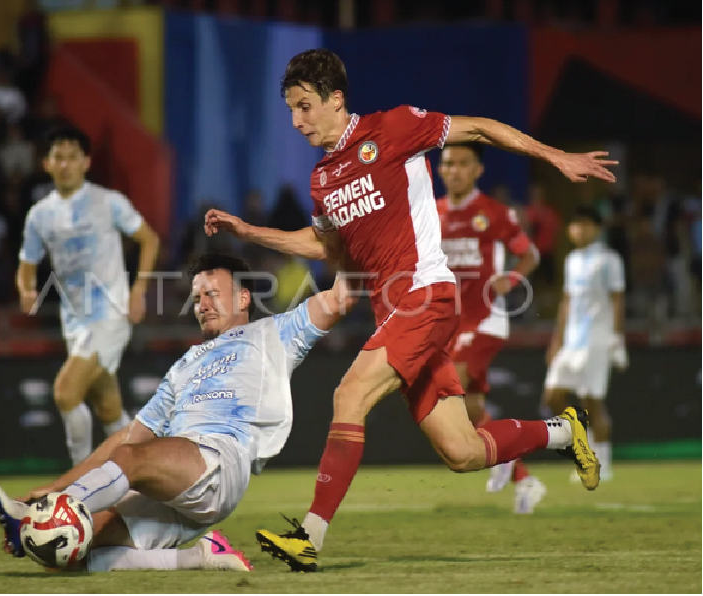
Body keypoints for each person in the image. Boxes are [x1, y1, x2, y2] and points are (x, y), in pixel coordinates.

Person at [204, 48, 616, 571]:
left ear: (336, 99)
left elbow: (483, 130)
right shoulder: (322, 179)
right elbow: (327, 249)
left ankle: (309, 536)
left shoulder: (394, 128)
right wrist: (250, 232)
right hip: (397, 315)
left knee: (349, 392)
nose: (297, 120)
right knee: (462, 451)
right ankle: (564, 432)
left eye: (305, 106)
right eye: (290, 109)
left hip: (427, 296)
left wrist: (556, 157)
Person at [0, 253, 359, 572]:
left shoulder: (276, 333)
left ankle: (35, 518)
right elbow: (129, 437)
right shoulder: (184, 365)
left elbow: (343, 294)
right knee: (73, 555)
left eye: (212, 293)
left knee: (122, 467)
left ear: (244, 297)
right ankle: (201, 557)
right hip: (173, 478)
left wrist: (351, 234)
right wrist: (58, 485)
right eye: (197, 297)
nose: (203, 304)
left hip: (219, 460)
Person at [17, 125, 160, 465]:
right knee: (108, 406)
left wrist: (138, 291)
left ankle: (80, 483)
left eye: (72, 157)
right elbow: (27, 262)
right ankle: (142, 476)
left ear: (86, 162)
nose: (65, 164)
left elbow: (149, 239)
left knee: (65, 392)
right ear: (47, 164)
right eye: (58, 158)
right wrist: (26, 289)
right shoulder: (39, 215)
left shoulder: (108, 202)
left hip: (110, 315)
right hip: (75, 322)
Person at [436, 142, 544, 512]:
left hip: (485, 321)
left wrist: (510, 280)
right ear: (439, 170)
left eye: (463, 164)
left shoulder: (493, 213)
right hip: (450, 325)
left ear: (478, 170)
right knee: (471, 409)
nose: (454, 170)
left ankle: (515, 453)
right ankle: (521, 475)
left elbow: (529, 253)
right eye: (448, 164)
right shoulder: (431, 214)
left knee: (453, 387)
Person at [543, 206, 627, 482]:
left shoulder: (609, 260)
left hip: (597, 340)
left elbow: (617, 299)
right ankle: (584, 445)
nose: (578, 229)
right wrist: (556, 341)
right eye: (575, 224)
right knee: (553, 396)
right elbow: (567, 302)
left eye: (585, 224)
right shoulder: (571, 260)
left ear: (597, 229)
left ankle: (600, 462)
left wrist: (616, 338)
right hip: (572, 342)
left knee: (592, 402)